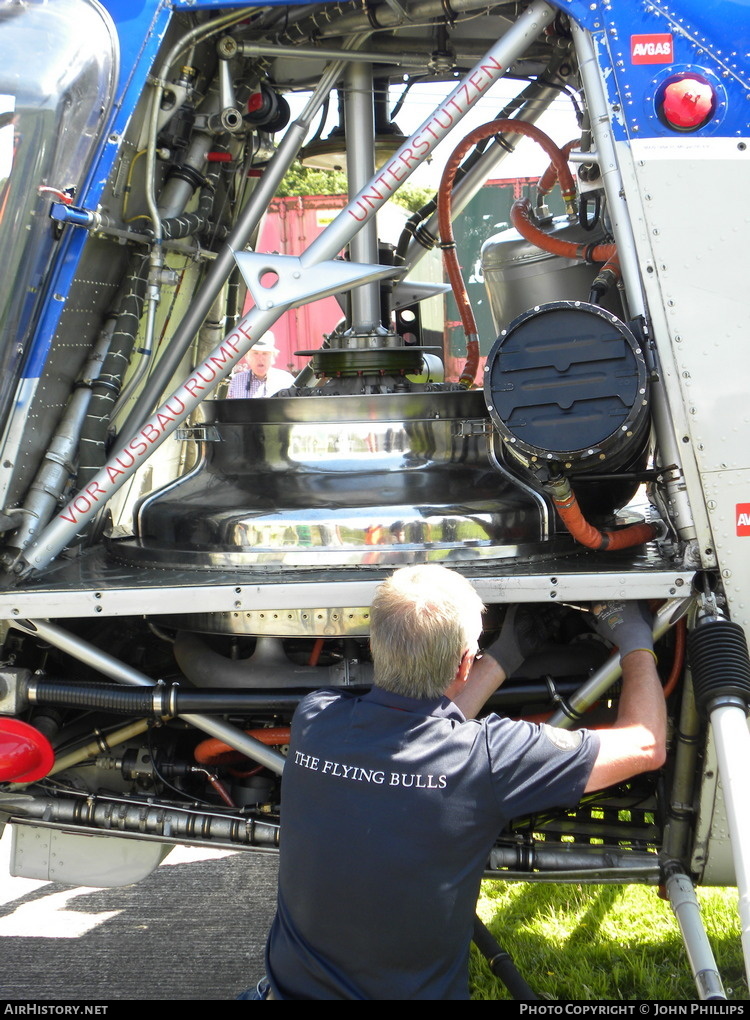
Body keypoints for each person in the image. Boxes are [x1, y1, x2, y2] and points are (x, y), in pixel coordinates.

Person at [249, 565, 666, 1000]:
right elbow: (646, 745)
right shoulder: (487, 759)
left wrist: (502, 659)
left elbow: (421, 737)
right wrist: (635, 642)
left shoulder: (315, 717)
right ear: (465, 662)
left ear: (376, 644)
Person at [226, 332, 295, 398]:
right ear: (247, 356)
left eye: (265, 353)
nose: (260, 358)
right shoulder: (236, 381)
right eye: (255, 353)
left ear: (273, 357)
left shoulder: (286, 381)